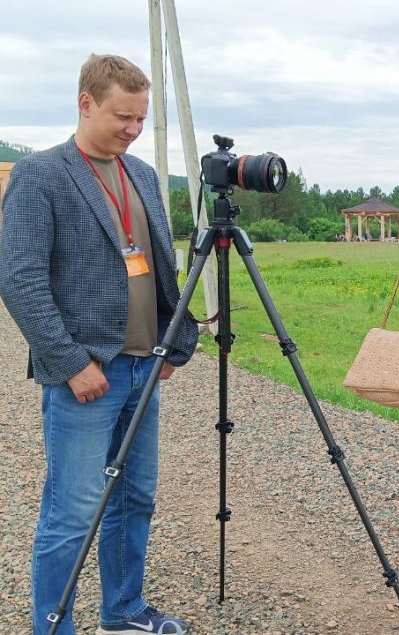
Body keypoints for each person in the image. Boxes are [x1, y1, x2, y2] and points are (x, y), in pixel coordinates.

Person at [0, 54, 199, 635]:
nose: (133, 129)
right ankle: (52, 627)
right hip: (88, 376)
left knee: (135, 500)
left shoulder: (139, 174)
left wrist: (171, 343)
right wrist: (69, 363)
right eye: (122, 116)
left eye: (140, 118)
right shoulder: (40, 174)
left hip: (143, 367)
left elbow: (161, 263)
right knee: (72, 513)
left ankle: (123, 612)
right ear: (85, 103)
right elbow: (19, 278)